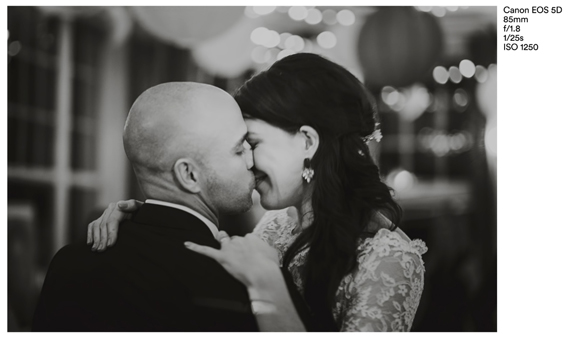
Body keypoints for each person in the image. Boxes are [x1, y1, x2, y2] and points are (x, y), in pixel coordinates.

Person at [88, 53, 428, 332]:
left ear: (308, 141)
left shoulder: (389, 258)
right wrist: (145, 217)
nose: (247, 162)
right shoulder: (276, 226)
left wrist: (269, 284)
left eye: (252, 143)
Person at [32, 82, 313, 332]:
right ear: (189, 175)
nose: (252, 161)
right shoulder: (247, 279)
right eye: (239, 149)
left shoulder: (68, 263)